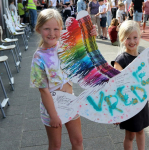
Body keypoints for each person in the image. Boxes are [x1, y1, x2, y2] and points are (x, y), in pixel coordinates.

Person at [30, 9, 97, 150]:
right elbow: (44, 91)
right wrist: (54, 116)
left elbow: (85, 51)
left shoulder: (66, 47)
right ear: (38, 29)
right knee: (56, 145)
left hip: (71, 102)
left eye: (56, 29)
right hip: (51, 108)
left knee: (78, 141)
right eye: (47, 29)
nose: (52, 33)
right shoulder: (38, 57)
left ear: (61, 29)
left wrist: (92, 36)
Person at [111, 20, 149, 150]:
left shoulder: (143, 58)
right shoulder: (120, 60)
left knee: (141, 131)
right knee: (130, 135)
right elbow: (117, 87)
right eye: (128, 38)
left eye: (135, 37)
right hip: (128, 104)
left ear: (140, 37)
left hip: (142, 101)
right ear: (122, 39)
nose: (132, 41)